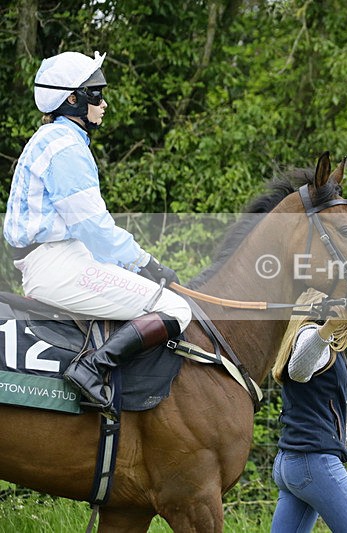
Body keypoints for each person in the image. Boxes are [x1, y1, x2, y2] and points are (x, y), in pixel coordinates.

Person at [3, 50, 192, 414]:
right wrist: (144, 262)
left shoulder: (55, 139)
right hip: (57, 264)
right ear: (72, 99)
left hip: (59, 258)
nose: (104, 104)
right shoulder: (65, 146)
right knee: (174, 308)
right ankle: (92, 367)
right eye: (96, 94)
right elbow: (93, 227)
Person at [271, 289, 347, 533]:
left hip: (291, 462)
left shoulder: (315, 345)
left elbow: (331, 420)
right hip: (314, 462)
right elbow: (299, 369)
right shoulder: (312, 337)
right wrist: (327, 329)